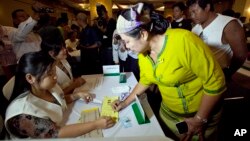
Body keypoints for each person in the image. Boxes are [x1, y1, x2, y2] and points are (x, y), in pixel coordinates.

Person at [112, 2, 226, 141]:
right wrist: (125, 102)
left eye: (127, 41)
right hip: (169, 114)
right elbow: (146, 80)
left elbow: (215, 82)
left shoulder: (184, 41)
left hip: (199, 116)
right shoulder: (143, 54)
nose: (126, 47)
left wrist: (199, 119)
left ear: (143, 34)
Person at [5, 51, 115, 139]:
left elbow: (57, 101)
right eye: (50, 73)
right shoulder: (23, 115)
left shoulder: (48, 87)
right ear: (30, 78)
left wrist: (77, 95)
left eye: (54, 71)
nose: (55, 77)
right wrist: (95, 124)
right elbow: (55, 133)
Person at [187, 0, 247, 81]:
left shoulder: (229, 24)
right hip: (198, 76)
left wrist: (228, 73)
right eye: (191, 13)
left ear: (207, 7)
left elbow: (240, 55)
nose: (192, 16)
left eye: (195, 11)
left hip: (217, 76)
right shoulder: (196, 27)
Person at [40, 26, 85, 95]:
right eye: (61, 49)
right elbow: (54, 97)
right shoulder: (48, 70)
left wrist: (75, 80)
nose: (65, 50)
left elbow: (69, 79)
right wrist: (74, 85)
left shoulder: (63, 60)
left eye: (64, 47)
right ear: (51, 53)